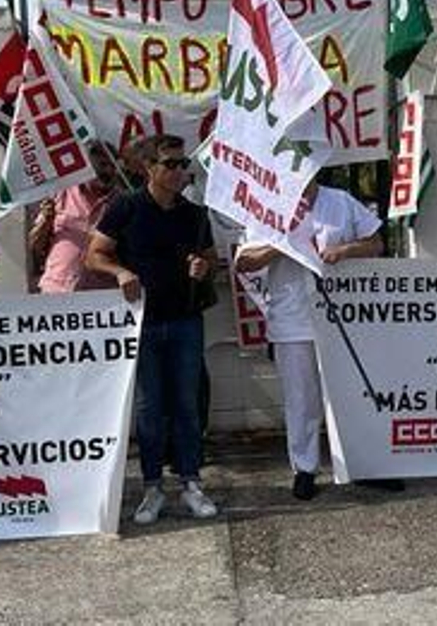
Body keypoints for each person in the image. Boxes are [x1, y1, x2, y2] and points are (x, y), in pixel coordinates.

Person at [86, 133, 219, 525]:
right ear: (149, 168)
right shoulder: (126, 207)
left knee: (187, 406)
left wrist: (203, 267)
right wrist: (121, 270)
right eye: (171, 164)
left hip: (185, 319)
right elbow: (93, 255)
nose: (180, 172)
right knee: (149, 409)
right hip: (142, 323)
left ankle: (192, 483)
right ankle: (151, 487)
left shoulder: (194, 214)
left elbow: (209, 257)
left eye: (183, 165)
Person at [235, 180, 384, 501]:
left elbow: (376, 243)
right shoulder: (268, 205)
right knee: (302, 398)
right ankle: (304, 468)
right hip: (292, 318)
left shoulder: (340, 201)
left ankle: (362, 465)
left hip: (342, 316)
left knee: (349, 393)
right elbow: (244, 261)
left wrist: (346, 250)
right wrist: (284, 244)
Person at [31, 145, 120, 294]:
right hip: (57, 289)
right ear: (86, 167)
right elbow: (35, 246)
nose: (109, 171)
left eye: (113, 166)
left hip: (102, 295)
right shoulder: (60, 193)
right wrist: (46, 221)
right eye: (103, 165)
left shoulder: (123, 203)